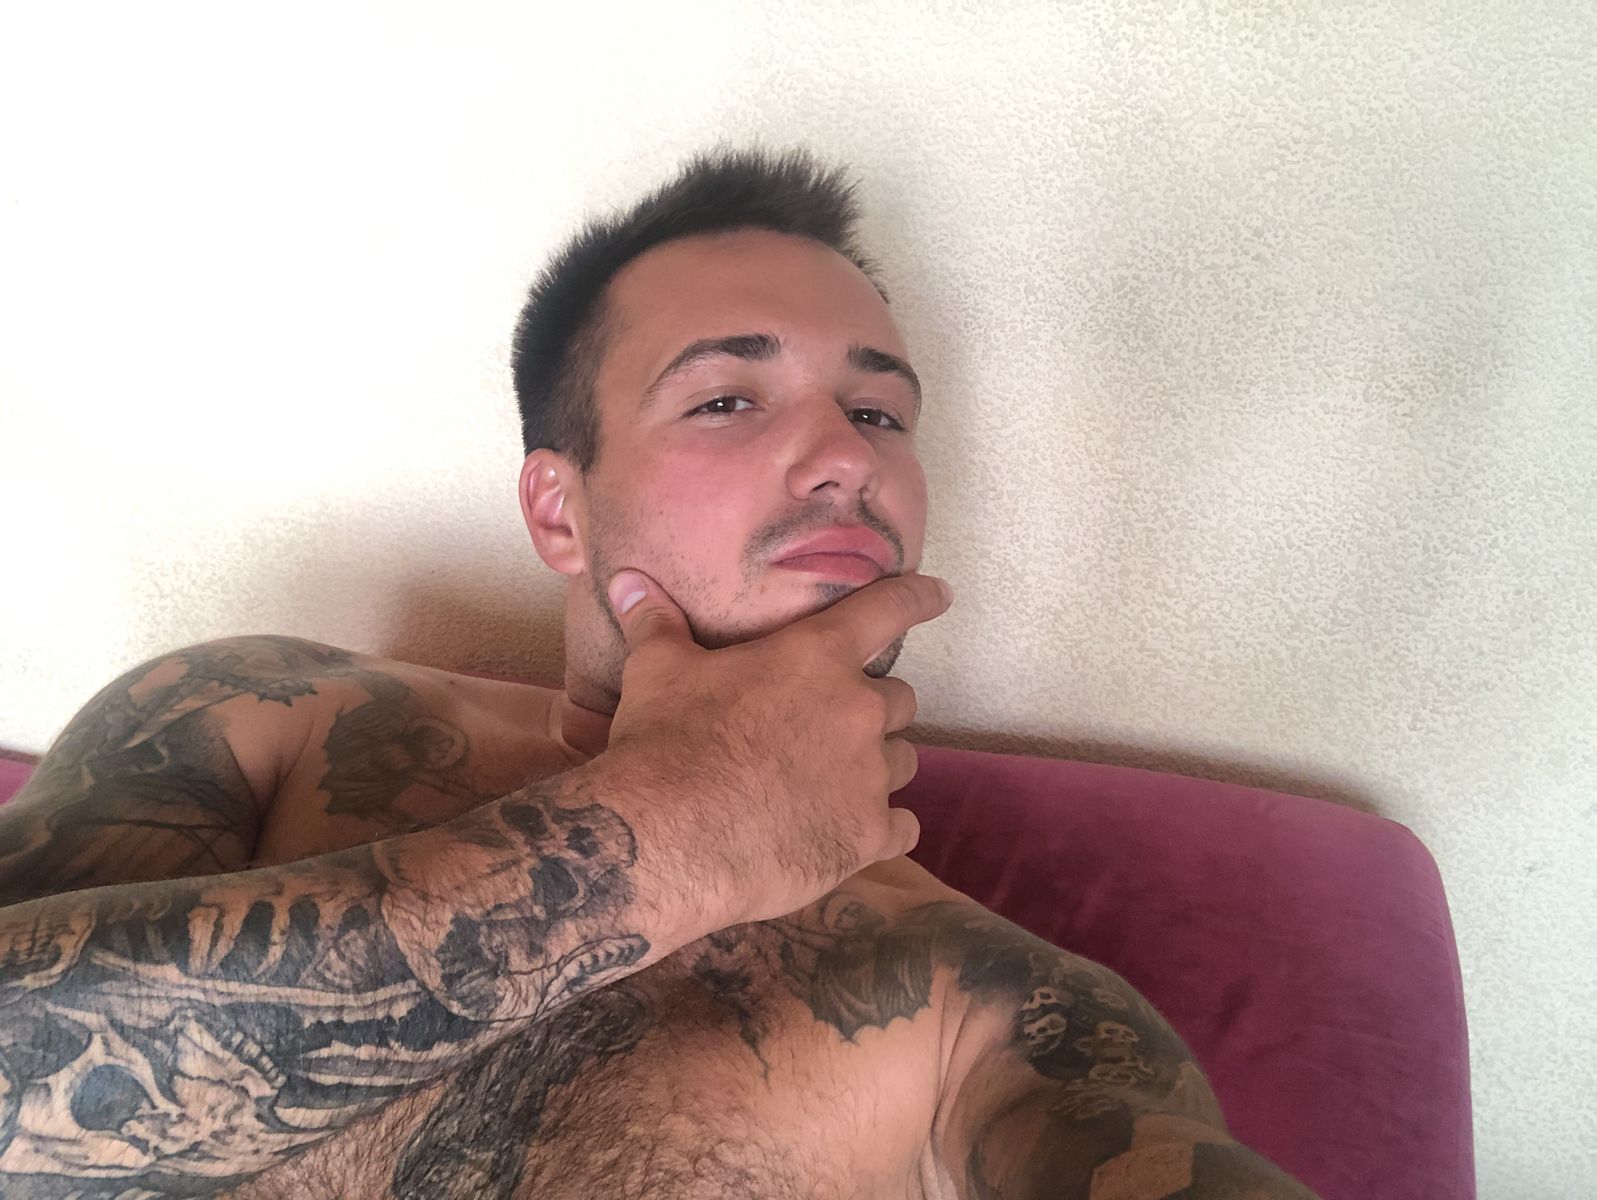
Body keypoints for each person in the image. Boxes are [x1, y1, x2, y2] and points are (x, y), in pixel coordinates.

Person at [0, 147, 1319, 1199]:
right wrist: (666, 838)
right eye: (726, 399)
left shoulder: (991, 1012)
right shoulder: (252, 714)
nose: (846, 458)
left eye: (878, 412)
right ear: (558, 509)